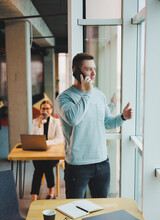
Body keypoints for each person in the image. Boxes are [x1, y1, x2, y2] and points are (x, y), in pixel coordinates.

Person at [55, 53, 132, 199]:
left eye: (94, 69)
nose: (93, 73)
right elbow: (73, 119)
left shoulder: (99, 95)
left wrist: (122, 117)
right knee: (75, 209)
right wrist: (88, 93)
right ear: (75, 70)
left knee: (102, 208)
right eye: (88, 69)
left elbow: (107, 122)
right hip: (78, 165)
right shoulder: (64, 98)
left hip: (102, 162)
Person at [31, 100, 64, 202]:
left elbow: (60, 139)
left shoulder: (56, 122)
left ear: (51, 110)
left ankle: (35, 196)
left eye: (47, 108)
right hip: (40, 154)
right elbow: (34, 138)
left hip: (54, 154)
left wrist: (45, 143)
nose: (45, 110)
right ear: (40, 110)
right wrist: (39, 125)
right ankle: (49, 193)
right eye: (43, 108)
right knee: (40, 165)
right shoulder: (35, 122)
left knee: (43, 166)